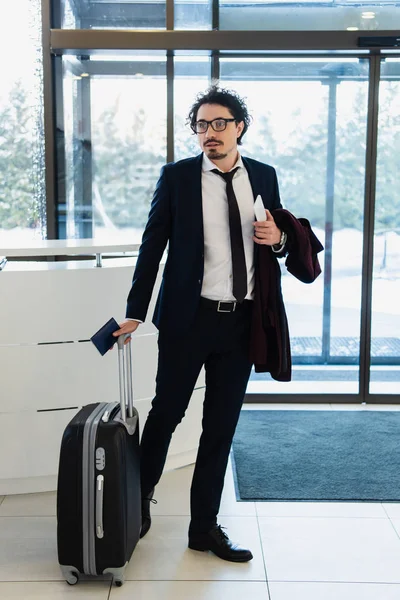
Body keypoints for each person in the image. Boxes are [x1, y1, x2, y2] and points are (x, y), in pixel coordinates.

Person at [113, 85, 321, 563]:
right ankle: (137, 505)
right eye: (201, 125)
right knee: (167, 415)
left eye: (219, 123)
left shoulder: (264, 175)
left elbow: (275, 240)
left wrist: (280, 240)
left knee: (221, 428)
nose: (209, 133)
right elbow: (152, 248)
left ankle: (204, 528)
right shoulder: (178, 178)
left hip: (243, 323)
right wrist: (134, 311)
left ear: (239, 126)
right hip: (189, 321)